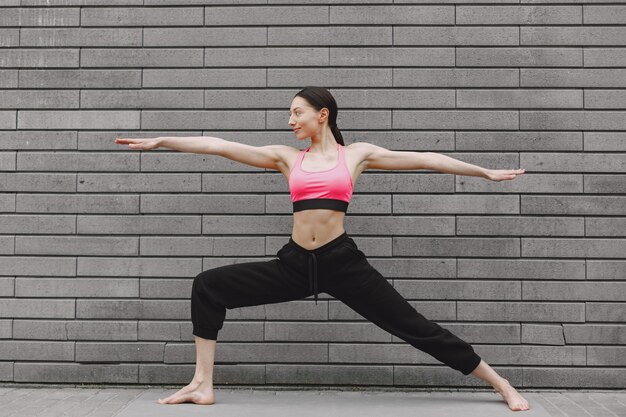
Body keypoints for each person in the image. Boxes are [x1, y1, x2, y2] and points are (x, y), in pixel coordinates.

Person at [115, 86, 529, 411]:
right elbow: (217, 145)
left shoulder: (357, 156)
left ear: (322, 115)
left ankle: (500, 383)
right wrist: (162, 141)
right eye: (290, 113)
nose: (290, 120)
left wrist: (484, 173)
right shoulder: (284, 158)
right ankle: (202, 384)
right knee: (208, 286)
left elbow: (427, 159)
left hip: (341, 263)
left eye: (297, 112)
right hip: (294, 264)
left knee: (417, 328)